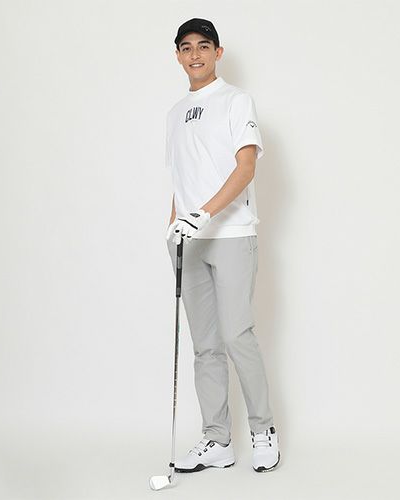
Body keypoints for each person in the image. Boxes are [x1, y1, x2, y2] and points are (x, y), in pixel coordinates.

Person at [164, 18, 280, 473]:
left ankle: (262, 429)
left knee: (236, 335)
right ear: (178, 55)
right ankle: (217, 440)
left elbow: (245, 167)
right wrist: (173, 227)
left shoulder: (236, 100)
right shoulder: (175, 113)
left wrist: (204, 213)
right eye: (186, 47)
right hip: (188, 241)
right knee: (205, 346)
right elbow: (181, 178)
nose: (195, 55)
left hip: (231, 234)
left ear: (218, 52)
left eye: (203, 46)